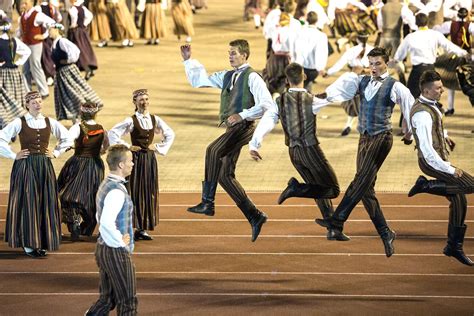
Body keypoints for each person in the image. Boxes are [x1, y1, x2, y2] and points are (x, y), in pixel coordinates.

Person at [315, 47, 415, 257]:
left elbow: (409, 109)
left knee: (360, 180)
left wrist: (410, 135)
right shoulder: (361, 81)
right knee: (366, 189)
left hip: (382, 137)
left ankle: (338, 219)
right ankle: (385, 232)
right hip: (364, 138)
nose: (373, 68)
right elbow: (336, 93)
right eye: (371, 63)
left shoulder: (396, 86)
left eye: (378, 63)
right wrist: (315, 101)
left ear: (386, 63)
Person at [181, 39, 275, 242]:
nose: (230, 55)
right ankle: (255, 216)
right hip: (233, 128)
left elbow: (267, 104)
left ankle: (207, 202)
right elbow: (201, 80)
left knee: (213, 151)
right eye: (229, 52)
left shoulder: (253, 78)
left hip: (244, 128)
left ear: (244, 55)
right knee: (224, 176)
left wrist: (243, 115)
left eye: (233, 53)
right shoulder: (227, 75)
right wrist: (188, 61)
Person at [249, 63, 347, 241]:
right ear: (305, 77)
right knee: (333, 189)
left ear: (286, 81)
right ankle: (296, 188)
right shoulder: (312, 100)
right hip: (311, 151)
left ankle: (333, 229)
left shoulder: (279, 101)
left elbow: (267, 121)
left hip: (294, 153)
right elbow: (333, 96)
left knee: (317, 189)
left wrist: (254, 145)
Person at [408, 70, 473, 266]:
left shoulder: (429, 106)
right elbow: (427, 151)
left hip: (438, 159)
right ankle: (425, 186)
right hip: (432, 163)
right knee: (469, 185)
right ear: (427, 91)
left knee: (459, 200)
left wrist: (444, 136)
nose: (442, 90)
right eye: (438, 88)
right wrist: (450, 169)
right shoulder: (422, 113)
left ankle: (453, 246)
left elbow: (429, 129)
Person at [0, 91, 72, 258]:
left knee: (44, 202)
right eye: (34, 102)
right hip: (25, 166)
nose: (38, 104)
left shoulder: (49, 122)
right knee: (28, 202)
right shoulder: (20, 122)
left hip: (44, 166)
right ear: (27, 105)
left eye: (40, 102)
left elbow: (67, 138)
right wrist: (13, 155)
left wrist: (55, 153)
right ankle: (28, 243)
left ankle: (40, 240)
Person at [108, 89, 175, 241]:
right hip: (135, 160)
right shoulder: (131, 120)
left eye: (146, 99)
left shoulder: (154, 119)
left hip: (150, 160)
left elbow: (170, 133)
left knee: (147, 191)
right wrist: (127, 146)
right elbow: (113, 133)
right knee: (133, 190)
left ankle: (142, 228)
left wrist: (157, 147)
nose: (144, 102)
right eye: (141, 100)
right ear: (135, 102)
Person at [85, 144, 138, 315]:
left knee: (107, 300)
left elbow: (99, 217)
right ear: (121, 165)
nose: (133, 164)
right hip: (115, 252)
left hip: (103, 248)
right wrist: (119, 241)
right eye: (130, 161)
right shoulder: (116, 191)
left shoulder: (106, 183)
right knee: (128, 302)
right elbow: (106, 222)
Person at [57, 102, 108, 241]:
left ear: (81, 113)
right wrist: (97, 152)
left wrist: (58, 150)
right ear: (95, 113)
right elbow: (106, 146)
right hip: (95, 166)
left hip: (77, 163)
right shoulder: (102, 129)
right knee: (92, 196)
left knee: (69, 193)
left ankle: (73, 221)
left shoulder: (77, 127)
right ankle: (86, 226)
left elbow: (67, 141)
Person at [392, 13, 467, 100]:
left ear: (416, 23)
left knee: (410, 99)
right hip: (431, 70)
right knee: (432, 99)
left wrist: (395, 60)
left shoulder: (410, 37)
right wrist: (464, 53)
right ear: (427, 22)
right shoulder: (435, 35)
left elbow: (399, 56)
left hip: (417, 71)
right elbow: (449, 46)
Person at [49, 25, 102, 122]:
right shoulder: (54, 43)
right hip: (61, 73)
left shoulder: (62, 41)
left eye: (51, 30)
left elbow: (76, 50)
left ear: (57, 30)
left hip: (68, 71)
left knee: (76, 94)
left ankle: (88, 112)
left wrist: (68, 60)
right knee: (67, 97)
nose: (49, 31)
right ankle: (76, 119)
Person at [325, 31, 373, 136]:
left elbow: (339, 64)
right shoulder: (373, 50)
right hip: (369, 78)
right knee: (364, 103)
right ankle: (355, 125)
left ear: (357, 39)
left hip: (354, 77)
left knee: (352, 103)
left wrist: (328, 73)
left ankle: (350, 125)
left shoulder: (351, 50)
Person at [432, 7, 473, 116]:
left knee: (451, 81)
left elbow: (437, 29)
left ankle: (450, 108)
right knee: (469, 83)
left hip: (453, 56)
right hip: (466, 57)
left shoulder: (450, 24)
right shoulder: (470, 26)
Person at [19, 0, 56, 98]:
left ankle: (44, 91)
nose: (23, 5)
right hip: (25, 44)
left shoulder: (37, 15)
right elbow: (21, 29)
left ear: (31, 3)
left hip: (35, 44)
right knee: (25, 68)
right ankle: (27, 92)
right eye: (22, 3)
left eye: (25, 3)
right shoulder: (23, 15)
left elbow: (52, 22)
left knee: (35, 66)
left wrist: (44, 35)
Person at [0, 15, 30, 129]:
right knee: (14, 98)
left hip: (2, 74)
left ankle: (6, 125)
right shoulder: (14, 40)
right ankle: (15, 125)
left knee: (4, 101)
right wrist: (17, 63)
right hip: (14, 73)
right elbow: (27, 51)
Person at [294, 11, 328, 93]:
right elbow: (321, 52)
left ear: (306, 20)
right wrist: (321, 68)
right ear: (316, 21)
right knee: (307, 85)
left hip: (300, 66)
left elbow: (295, 48)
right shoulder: (321, 35)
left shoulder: (299, 32)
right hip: (313, 69)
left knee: (302, 86)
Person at [68, 0, 98, 80]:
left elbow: (74, 18)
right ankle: (87, 68)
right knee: (85, 49)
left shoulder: (73, 9)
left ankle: (86, 69)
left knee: (79, 51)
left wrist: (73, 25)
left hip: (76, 32)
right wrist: (84, 24)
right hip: (82, 31)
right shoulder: (82, 8)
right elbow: (90, 16)